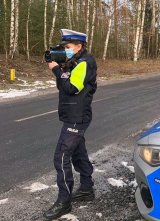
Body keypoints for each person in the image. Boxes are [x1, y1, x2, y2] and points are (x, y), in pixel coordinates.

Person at [43, 29, 97, 220]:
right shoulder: (75, 62)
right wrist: (62, 68)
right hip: (73, 115)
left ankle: (64, 201)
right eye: (64, 47)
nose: (65, 50)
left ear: (79, 46)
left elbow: (72, 88)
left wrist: (57, 69)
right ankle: (86, 189)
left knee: (62, 157)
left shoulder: (84, 63)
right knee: (78, 153)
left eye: (67, 47)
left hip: (77, 116)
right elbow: (63, 85)